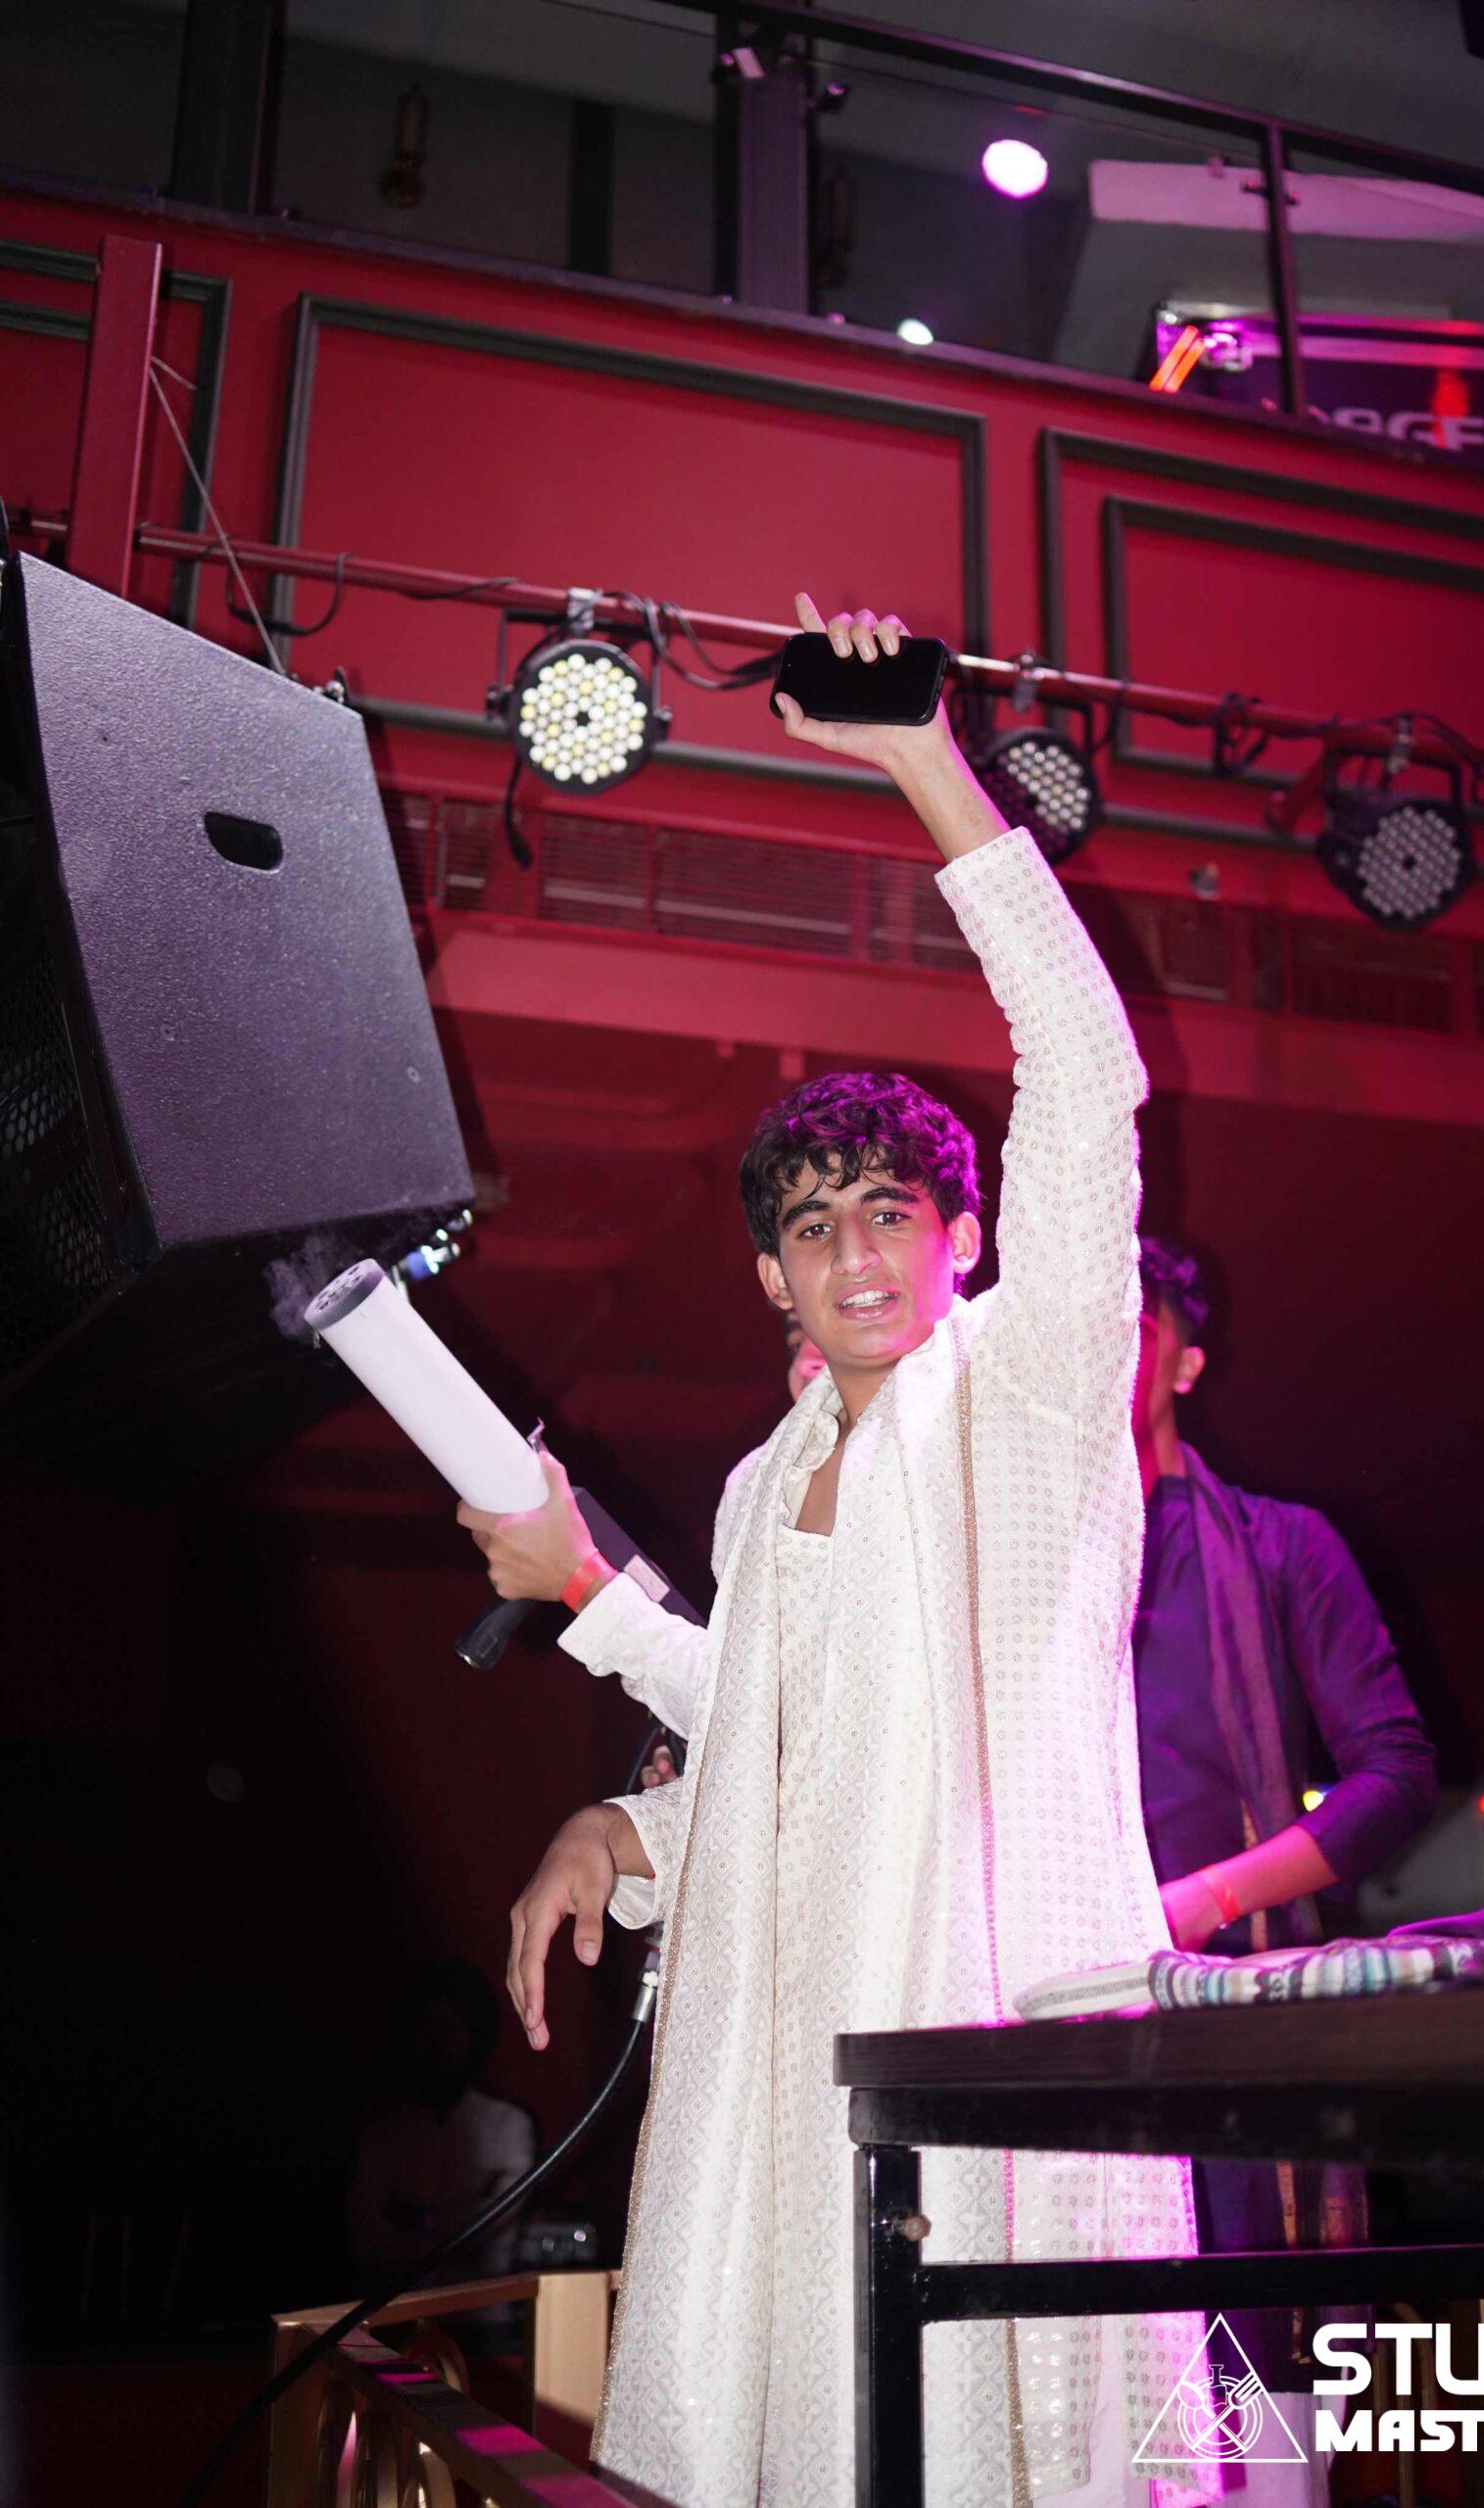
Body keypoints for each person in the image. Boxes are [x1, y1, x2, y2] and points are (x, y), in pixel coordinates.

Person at [459, 593, 1209, 2508]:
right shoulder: (761, 1477)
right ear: (769, 1276)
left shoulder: (1028, 1387)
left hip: (984, 2062)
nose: (855, 1249)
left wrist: (918, 760)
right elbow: (791, 1744)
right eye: (812, 1224)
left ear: (959, 1237)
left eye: (889, 1209)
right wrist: (622, 1810)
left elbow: (1083, 1069)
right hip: (782, 2094)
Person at [1130, 1234, 1438, 2501]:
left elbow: (1393, 1771)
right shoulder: (1012, 1571)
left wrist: (1209, 1897)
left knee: (1259, 2436)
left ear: (1183, 1363)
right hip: (1054, 2028)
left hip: (1231, 2039)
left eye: (1128, 1325)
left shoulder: (1279, 1545)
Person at [347, 1959, 536, 2292]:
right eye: (428, 2028)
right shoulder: (384, 2135)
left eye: (450, 2029)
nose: (438, 2043)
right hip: (399, 2310)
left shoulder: (509, 2127)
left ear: (474, 2036)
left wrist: (420, 2222)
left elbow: (489, 2227)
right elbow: (366, 2240)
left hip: (486, 2312)